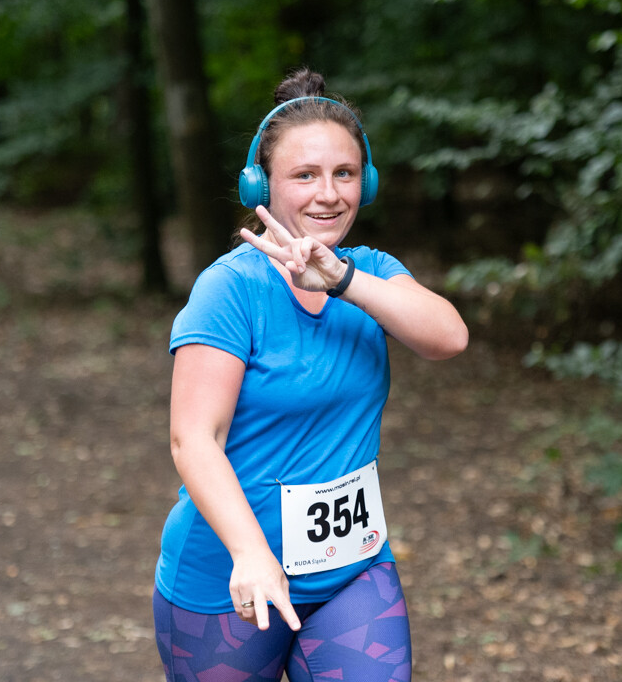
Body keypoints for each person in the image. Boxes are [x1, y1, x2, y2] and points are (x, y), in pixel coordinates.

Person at [152, 68, 468, 682]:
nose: (329, 194)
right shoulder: (230, 289)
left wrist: (344, 280)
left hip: (352, 572)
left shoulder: (371, 273)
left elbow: (449, 337)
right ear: (261, 184)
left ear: (366, 182)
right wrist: (251, 554)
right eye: (305, 175)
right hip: (232, 578)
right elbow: (194, 439)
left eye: (344, 174)